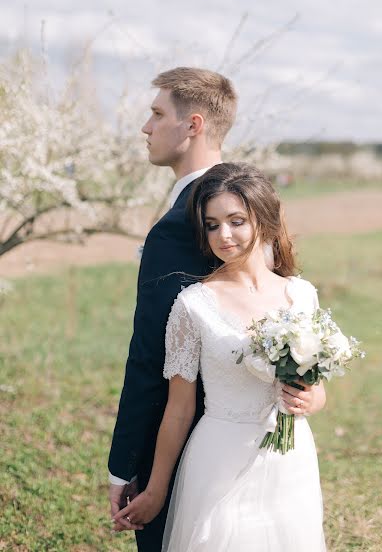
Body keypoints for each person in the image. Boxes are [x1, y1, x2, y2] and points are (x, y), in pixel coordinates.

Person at [113, 162, 327, 551]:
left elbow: (317, 387)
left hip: (290, 462)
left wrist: (312, 399)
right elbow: (179, 410)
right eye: (212, 225)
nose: (223, 235)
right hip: (218, 461)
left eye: (236, 220)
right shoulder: (192, 306)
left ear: (263, 219)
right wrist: (158, 490)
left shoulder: (302, 295)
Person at [108, 67, 238, 551]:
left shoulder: (185, 220)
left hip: (188, 444)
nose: (146, 127)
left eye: (157, 114)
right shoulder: (240, 198)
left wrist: (126, 464)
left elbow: (152, 354)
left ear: (193, 125)